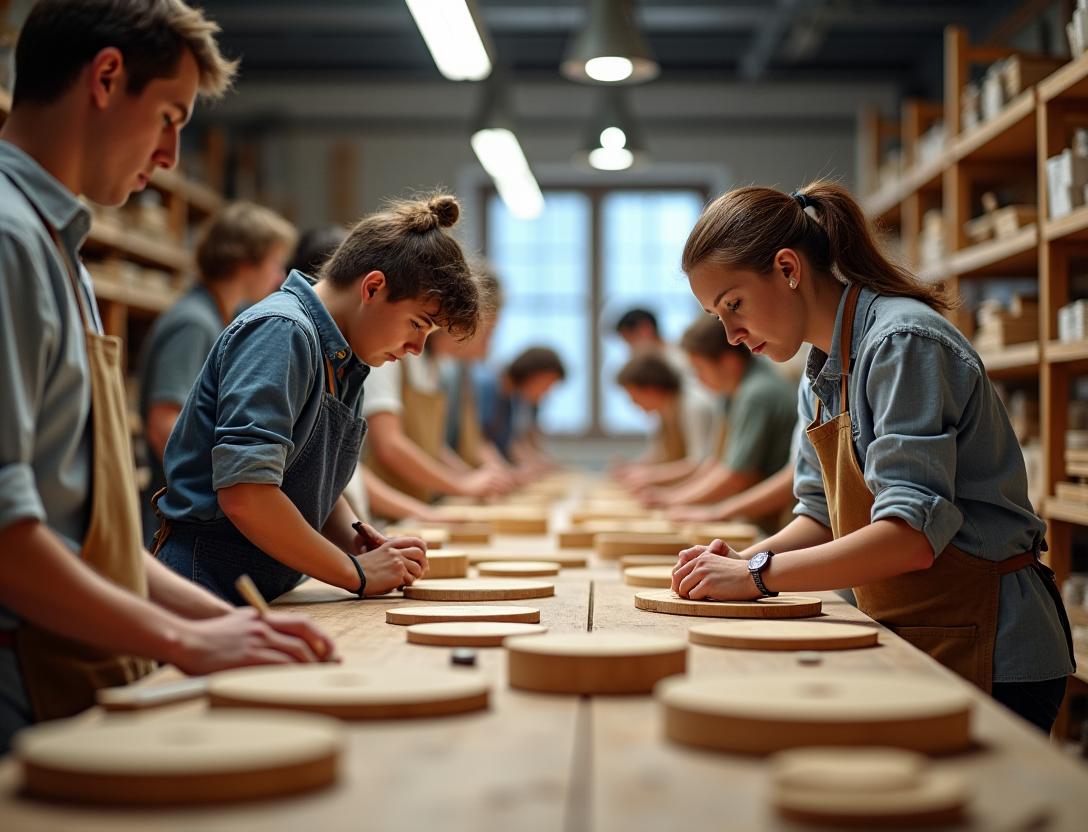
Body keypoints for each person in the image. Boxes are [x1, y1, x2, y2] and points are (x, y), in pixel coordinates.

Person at [0, 0, 333, 753]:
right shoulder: (9, 239)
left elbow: (89, 540)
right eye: (170, 116)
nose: (171, 155)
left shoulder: (56, 245)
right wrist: (184, 641)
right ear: (108, 78)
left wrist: (224, 622)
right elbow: (7, 537)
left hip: (69, 652)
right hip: (19, 673)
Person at [671, 181, 1075, 732]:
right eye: (718, 316)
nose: (732, 334)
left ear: (788, 269)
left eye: (733, 304)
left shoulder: (902, 342)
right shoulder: (819, 371)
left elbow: (909, 536)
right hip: (917, 630)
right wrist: (743, 562)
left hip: (992, 647)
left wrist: (761, 575)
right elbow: (818, 515)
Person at [155, 194, 479, 605]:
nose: (416, 347)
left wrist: (357, 542)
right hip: (206, 583)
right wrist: (354, 573)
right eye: (417, 324)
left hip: (265, 583)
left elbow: (313, 486)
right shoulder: (282, 332)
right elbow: (246, 494)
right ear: (373, 288)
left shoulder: (346, 357)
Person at [138, 201, 297, 544]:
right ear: (244, 264)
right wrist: (230, 484)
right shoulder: (194, 324)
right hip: (176, 522)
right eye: (275, 263)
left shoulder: (222, 317)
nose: (280, 277)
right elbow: (162, 423)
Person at [641, 316, 796, 512]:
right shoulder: (733, 392)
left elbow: (736, 476)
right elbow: (715, 464)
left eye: (699, 369)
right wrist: (672, 498)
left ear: (729, 362)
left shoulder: (755, 394)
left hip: (778, 516)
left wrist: (674, 500)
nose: (698, 379)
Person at [614, 349, 716, 471]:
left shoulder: (694, 407)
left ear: (650, 390)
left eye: (633, 396)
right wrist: (632, 467)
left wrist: (648, 476)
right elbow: (660, 454)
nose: (633, 403)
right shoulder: (665, 411)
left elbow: (699, 463)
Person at [480, 346, 566, 473]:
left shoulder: (513, 397)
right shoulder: (488, 385)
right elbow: (478, 440)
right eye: (547, 384)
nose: (547, 392)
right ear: (535, 375)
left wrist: (535, 463)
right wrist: (504, 471)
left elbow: (511, 443)